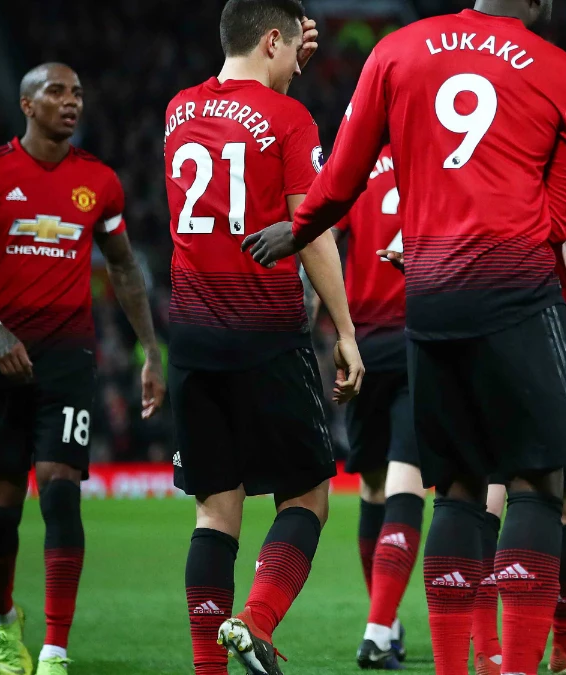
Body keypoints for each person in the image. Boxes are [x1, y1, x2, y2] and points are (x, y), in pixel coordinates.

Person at [242, 2, 566, 673]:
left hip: (431, 303)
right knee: (539, 483)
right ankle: (516, 664)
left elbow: (344, 170)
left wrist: (298, 229)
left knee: (454, 488)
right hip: (516, 295)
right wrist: (512, 246)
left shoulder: (396, 50)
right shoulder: (561, 70)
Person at [0, 62, 166, 675]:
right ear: (26, 104)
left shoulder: (99, 181)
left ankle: (55, 651)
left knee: (62, 497)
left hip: (68, 356)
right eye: (57, 93)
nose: (71, 103)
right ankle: (3, 622)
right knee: (1, 510)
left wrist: (150, 349)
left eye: (78, 95)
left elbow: (122, 267)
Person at [161, 2, 363, 674]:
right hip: (265, 332)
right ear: (276, 39)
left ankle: (207, 667)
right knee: (307, 495)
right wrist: (345, 328)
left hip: (190, 336)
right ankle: (254, 620)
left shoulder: (177, 110)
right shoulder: (289, 117)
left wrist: (281, 77)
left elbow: (240, 126)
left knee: (214, 512)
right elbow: (308, 230)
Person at [475, 226, 566, 675]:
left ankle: (487, 650)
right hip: (553, 332)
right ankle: (563, 643)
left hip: (473, 320)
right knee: (561, 498)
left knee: (485, 487)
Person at [333, 145, 418, 669]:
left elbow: (323, 234)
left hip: (361, 342)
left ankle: (382, 623)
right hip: (419, 336)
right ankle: (379, 627)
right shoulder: (436, 154)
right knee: (405, 481)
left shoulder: (353, 161)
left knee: (372, 485)